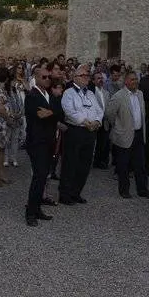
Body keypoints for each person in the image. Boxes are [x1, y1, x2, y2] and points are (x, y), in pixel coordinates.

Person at [59, 65, 103, 204]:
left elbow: (98, 110)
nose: (86, 78)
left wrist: (97, 121)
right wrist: (84, 122)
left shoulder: (90, 93)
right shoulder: (69, 93)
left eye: (87, 76)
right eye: (83, 76)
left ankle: (76, 192)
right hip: (75, 131)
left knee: (85, 164)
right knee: (70, 163)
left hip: (90, 133)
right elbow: (69, 111)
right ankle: (65, 194)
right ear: (75, 78)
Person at [105, 71, 149, 200]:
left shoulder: (140, 94)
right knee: (123, 165)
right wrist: (118, 126)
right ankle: (124, 190)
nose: (135, 82)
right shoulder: (118, 96)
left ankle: (142, 189)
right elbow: (110, 113)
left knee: (140, 165)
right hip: (124, 135)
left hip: (138, 134)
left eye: (136, 80)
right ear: (126, 81)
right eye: (132, 80)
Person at [24, 67, 60, 226]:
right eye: (44, 77)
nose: (47, 79)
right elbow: (40, 115)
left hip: (49, 141)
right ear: (36, 78)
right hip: (37, 142)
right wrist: (53, 113)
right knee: (38, 177)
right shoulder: (32, 96)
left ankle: (37, 208)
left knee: (43, 176)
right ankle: (30, 212)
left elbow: (59, 111)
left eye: (49, 77)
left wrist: (51, 112)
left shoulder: (49, 95)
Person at [6, 62, 27, 168]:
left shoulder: (23, 80)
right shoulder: (10, 85)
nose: (20, 70)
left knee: (16, 137)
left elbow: (28, 90)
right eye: (18, 68)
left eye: (22, 68)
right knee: (7, 137)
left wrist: (23, 81)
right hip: (11, 110)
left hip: (20, 108)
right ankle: (5, 158)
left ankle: (13, 157)